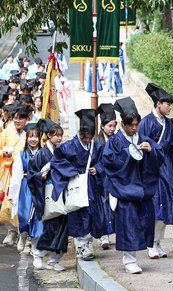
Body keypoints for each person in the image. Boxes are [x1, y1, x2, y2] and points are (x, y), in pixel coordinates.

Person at [100, 97, 163, 274]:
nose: (134, 128)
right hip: (126, 190)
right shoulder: (115, 141)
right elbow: (109, 162)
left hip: (143, 190)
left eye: (136, 124)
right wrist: (129, 153)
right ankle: (129, 260)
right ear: (123, 124)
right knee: (128, 224)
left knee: (143, 223)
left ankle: (140, 253)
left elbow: (160, 156)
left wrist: (150, 151)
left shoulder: (144, 139)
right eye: (130, 125)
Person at [50, 109, 105, 261]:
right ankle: (82, 246)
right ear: (80, 133)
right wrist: (71, 171)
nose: (87, 140)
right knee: (80, 215)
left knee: (93, 214)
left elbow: (103, 161)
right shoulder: (68, 146)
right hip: (77, 184)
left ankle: (87, 244)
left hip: (91, 184)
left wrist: (98, 168)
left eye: (89, 137)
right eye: (85, 137)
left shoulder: (96, 146)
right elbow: (57, 161)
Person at [138, 83, 173, 259]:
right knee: (154, 207)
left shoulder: (169, 125)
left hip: (167, 169)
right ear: (158, 104)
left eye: (170, 104)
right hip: (152, 169)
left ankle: (157, 242)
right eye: (167, 104)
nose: (169, 107)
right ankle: (150, 244)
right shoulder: (145, 123)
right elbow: (142, 146)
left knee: (167, 206)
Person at [27, 118, 66, 271]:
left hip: (61, 193)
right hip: (47, 194)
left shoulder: (61, 151)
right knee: (50, 227)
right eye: (56, 135)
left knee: (64, 227)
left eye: (61, 135)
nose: (59, 138)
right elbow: (31, 175)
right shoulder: (41, 154)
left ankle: (54, 260)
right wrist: (40, 177)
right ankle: (38, 253)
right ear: (49, 135)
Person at [8, 123, 41, 254]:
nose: (33, 139)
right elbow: (16, 176)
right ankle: (22, 236)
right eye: (30, 137)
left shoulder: (43, 153)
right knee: (24, 214)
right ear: (26, 138)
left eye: (36, 137)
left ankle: (34, 245)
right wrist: (12, 194)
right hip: (25, 186)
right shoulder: (21, 155)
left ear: (40, 138)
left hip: (39, 186)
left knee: (37, 217)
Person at [0, 104, 29, 245]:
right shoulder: (6, 132)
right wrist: (4, 153)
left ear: (26, 119)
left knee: (23, 202)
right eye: (15, 118)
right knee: (8, 201)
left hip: (24, 172)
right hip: (9, 171)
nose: (17, 121)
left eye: (21, 118)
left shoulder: (30, 133)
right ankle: (11, 231)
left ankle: (22, 232)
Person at [95, 103, 118, 250]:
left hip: (116, 177)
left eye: (114, 126)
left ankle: (115, 231)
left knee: (116, 205)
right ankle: (104, 235)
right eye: (110, 126)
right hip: (102, 177)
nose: (112, 129)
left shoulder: (117, 139)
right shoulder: (97, 141)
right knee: (103, 204)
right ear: (103, 126)